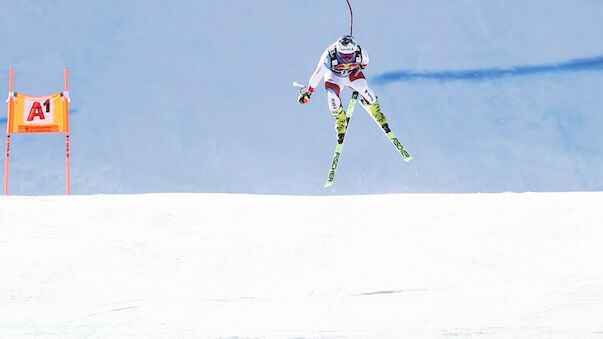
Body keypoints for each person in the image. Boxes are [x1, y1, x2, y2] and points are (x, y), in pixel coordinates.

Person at [298, 35, 390, 143]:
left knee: (365, 89)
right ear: (337, 51)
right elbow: (318, 74)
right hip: (334, 77)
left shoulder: (361, 52)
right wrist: (308, 93)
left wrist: (356, 69)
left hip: (351, 74)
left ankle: (376, 112)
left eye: (350, 55)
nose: (346, 58)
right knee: (331, 96)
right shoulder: (329, 56)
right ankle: (341, 119)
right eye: (342, 55)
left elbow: (365, 63)